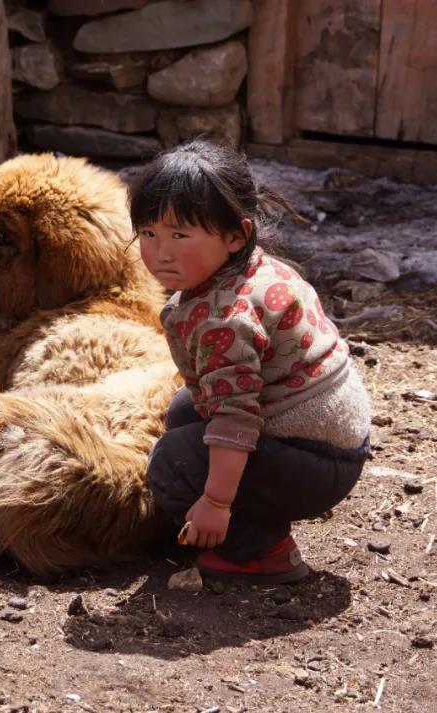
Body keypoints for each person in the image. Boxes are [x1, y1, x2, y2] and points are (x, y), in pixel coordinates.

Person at [132, 140, 371, 584]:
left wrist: (216, 502)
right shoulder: (254, 268)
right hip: (332, 438)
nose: (160, 252)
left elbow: (234, 420)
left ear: (235, 235)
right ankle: (230, 516)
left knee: (172, 463)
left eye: (179, 235)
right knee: (185, 409)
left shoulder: (226, 320)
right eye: (148, 233)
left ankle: (263, 551)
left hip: (316, 459)